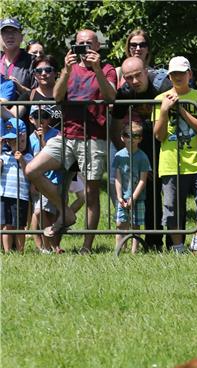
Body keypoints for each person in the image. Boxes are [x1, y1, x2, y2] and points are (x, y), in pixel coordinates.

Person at [23, 28, 116, 251]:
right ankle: (65, 212)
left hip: (93, 137)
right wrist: (65, 69)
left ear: (97, 46)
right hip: (66, 136)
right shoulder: (69, 68)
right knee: (32, 170)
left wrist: (97, 70)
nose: (84, 48)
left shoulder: (106, 68)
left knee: (92, 194)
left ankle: (86, 247)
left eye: (88, 43)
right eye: (79, 43)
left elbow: (110, 96)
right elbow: (56, 96)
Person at [152, 56, 197, 254]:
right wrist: (164, 111)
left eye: (181, 73)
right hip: (171, 162)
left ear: (190, 74)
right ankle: (178, 248)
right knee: (171, 207)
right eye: (174, 74)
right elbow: (159, 135)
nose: (178, 77)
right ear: (169, 77)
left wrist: (180, 110)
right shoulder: (159, 99)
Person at [112, 56, 173, 252]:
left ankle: (175, 243)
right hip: (143, 145)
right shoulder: (124, 92)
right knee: (150, 195)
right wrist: (125, 153)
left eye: (138, 75)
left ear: (146, 71)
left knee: (172, 193)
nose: (134, 81)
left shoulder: (164, 84)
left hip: (169, 143)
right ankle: (153, 242)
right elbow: (115, 122)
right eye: (129, 77)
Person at [27, 105, 67, 254]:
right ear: (31, 119)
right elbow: (30, 160)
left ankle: (51, 245)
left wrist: (43, 138)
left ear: (49, 118)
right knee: (38, 212)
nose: (41, 120)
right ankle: (43, 246)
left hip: (53, 180)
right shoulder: (30, 138)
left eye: (44, 116)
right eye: (36, 116)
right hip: (37, 182)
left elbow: (50, 154)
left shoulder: (55, 134)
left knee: (51, 214)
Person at [113, 120, 150, 254]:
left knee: (135, 225)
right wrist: (118, 196)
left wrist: (134, 197)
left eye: (135, 136)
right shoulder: (118, 156)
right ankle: (120, 249)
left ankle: (134, 251)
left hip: (137, 198)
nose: (131, 139)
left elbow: (142, 180)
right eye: (128, 135)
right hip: (122, 197)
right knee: (120, 224)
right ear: (122, 137)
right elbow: (117, 178)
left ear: (140, 139)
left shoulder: (142, 157)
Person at [0, 117, 31, 252]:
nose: (12, 143)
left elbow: (29, 174)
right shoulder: (4, 156)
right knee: (6, 225)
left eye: (15, 140)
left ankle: (20, 250)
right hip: (3, 194)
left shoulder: (28, 157)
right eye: (9, 140)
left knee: (19, 225)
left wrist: (22, 161)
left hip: (20, 196)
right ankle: (7, 251)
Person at [1, 18, 33, 101]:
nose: (10, 36)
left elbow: (42, 95)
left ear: (21, 37)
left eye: (14, 31)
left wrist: (20, 88)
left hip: (23, 113)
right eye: (5, 32)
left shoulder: (32, 61)